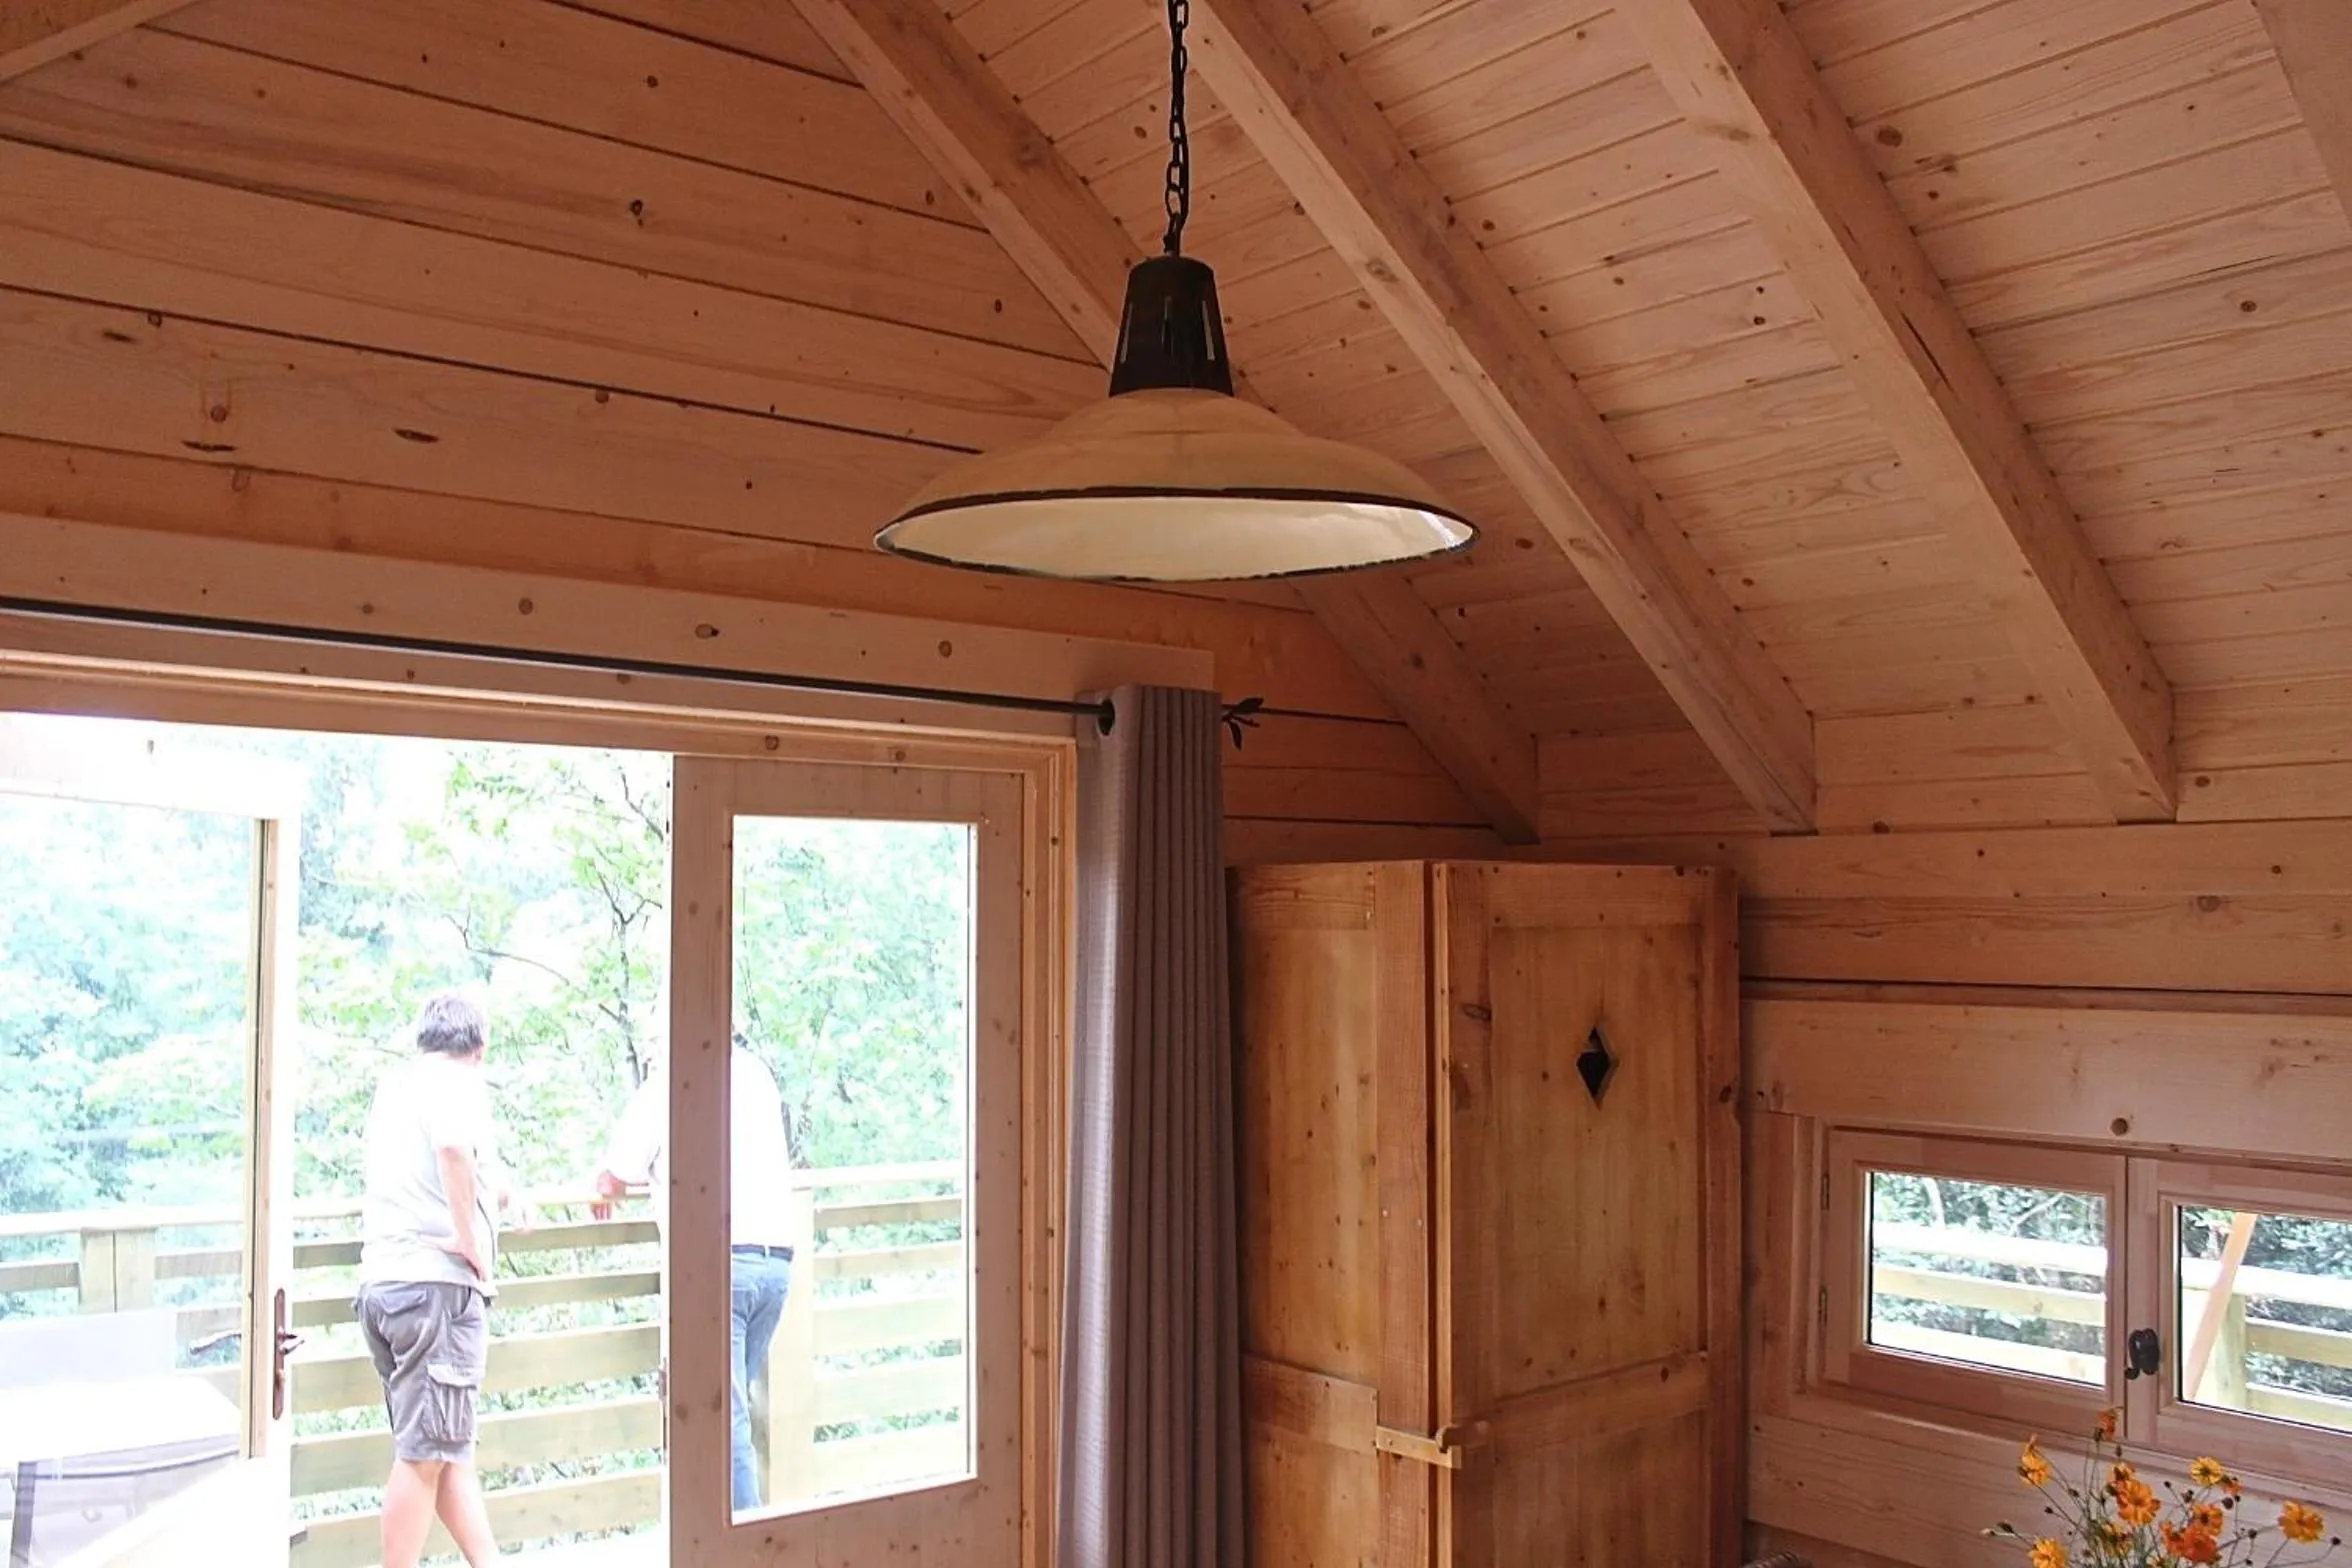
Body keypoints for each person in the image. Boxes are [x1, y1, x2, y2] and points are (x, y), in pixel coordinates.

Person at [593, 1039, 797, 1513]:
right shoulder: (757, 1073)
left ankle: (748, 1547)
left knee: (722, 1420)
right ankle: (713, 1536)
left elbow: (612, 1177)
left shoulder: (672, 1077)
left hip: (719, 1270)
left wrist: (610, 1179)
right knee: (725, 1414)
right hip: (775, 1265)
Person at [354, 992, 509, 1568]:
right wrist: (470, 1241)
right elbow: (450, 1149)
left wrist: (498, 1192)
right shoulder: (456, 1082)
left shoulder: (396, 1087)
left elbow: (444, 1160)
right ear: (479, 1047)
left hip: (385, 1286)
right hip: (434, 1292)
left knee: (445, 1451)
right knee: (424, 1457)